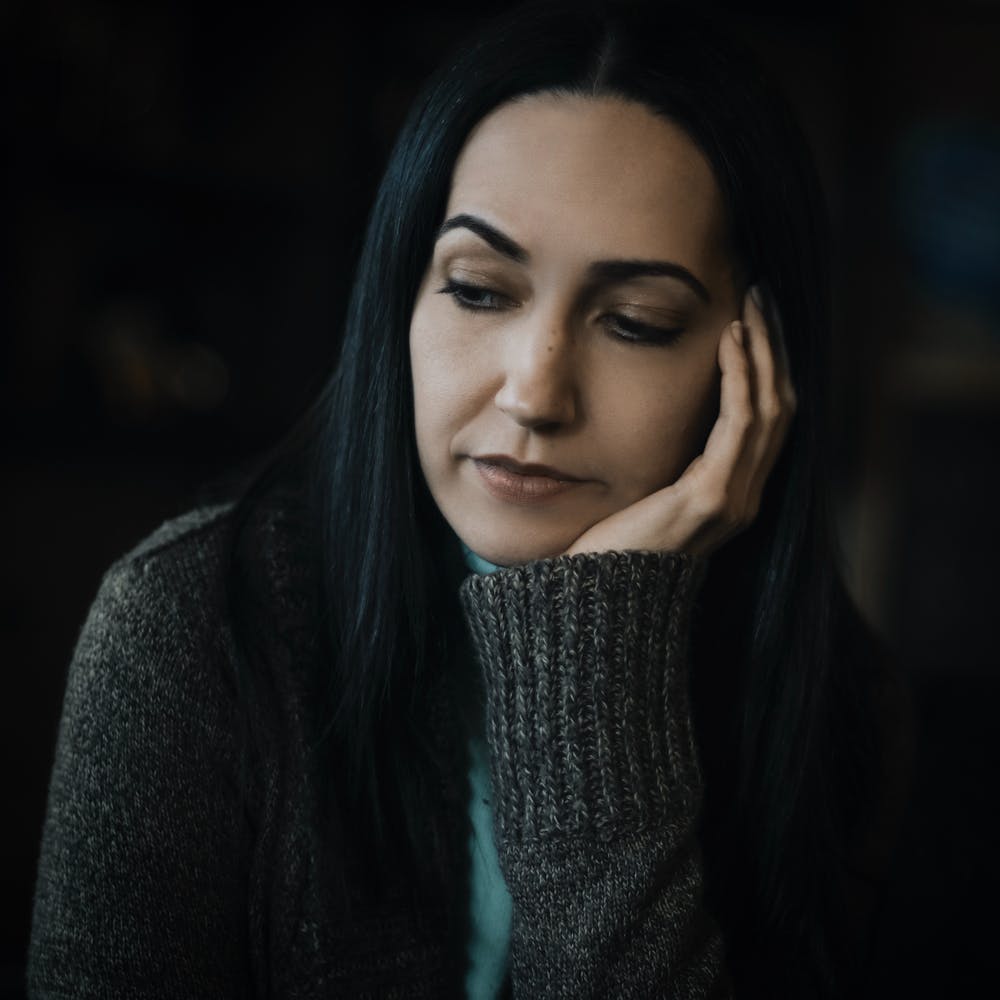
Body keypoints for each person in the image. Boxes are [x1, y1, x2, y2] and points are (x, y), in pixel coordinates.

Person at [27, 1, 913, 997]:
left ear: (755, 365)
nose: (534, 392)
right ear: (399, 298)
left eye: (634, 320)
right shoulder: (188, 629)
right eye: (479, 289)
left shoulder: (844, 714)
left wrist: (596, 646)